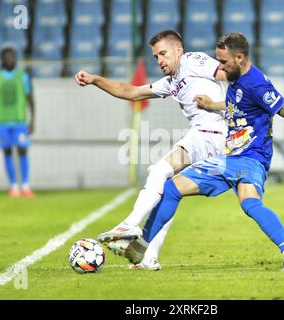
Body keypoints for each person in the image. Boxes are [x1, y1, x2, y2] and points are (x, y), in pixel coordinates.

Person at [121, 32, 284, 271]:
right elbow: (238, 105)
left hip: (249, 159)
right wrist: (212, 104)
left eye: (223, 61)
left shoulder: (257, 84)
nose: (219, 66)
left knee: (171, 188)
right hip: (237, 159)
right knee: (250, 204)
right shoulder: (235, 81)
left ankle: (142, 244)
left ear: (239, 58)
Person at [75, 30, 228, 270]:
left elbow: (228, 73)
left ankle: (130, 225)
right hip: (205, 136)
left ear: (179, 50)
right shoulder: (171, 82)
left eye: (163, 54)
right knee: (168, 190)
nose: (160, 60)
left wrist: (229, 100)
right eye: (156, 56)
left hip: (213, 134)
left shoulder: (193, 60)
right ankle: (149, 257)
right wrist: (96, 80)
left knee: (159, 171)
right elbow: (132, 92)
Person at [0, 47, 35, 197]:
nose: (9, 59)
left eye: (11, 56)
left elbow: (30, 98)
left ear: (15, 58)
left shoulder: (23, 76)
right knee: (7, 152)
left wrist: (33, 119)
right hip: (3, 121)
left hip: (20, 121)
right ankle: (14, 186)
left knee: (23, 151)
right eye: (6, 57)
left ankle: (26, 185)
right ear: (2, 59)